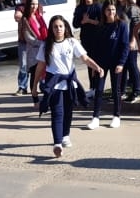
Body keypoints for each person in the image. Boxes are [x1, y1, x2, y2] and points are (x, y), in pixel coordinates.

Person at [33, 15, 102, 158]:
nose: (58, 29)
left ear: (65, 28)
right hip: (55, 85)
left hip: (70, 83)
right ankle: (57, 144)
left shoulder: (72, 42)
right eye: (55, 27)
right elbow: (40, 67)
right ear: (51, 29)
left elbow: (85, 58)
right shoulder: (46, 45)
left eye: (60, 26)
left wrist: (97, 67)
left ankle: (65, 135)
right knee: (57, 113)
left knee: (68, 112)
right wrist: (34, 87)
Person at [86, 0, 129, 130]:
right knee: (99, 90)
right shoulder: (100, 26)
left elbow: (125, 45)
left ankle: (116, 116)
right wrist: (94, 66)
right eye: (108, 10)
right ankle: (95, 117)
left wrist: (121, 63)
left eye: (113, 10)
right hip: (101, 63)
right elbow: (96, 48)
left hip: (116, 63)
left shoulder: (121, 25)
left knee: (116, 90)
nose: (111, 12)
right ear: (104, 11)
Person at [115, 0, 140, 103]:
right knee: (123, 66)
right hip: (120, 41)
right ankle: (121, 92)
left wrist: (133, 40)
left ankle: (137, 91)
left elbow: (137, 26)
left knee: (132, 66)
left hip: (131, 41)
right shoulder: (117, 8)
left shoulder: (132, 9)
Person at [72, 0, 103, 97]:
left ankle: (99, 87)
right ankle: (92, 88)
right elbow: (75, 24)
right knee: (89, 63)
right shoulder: (80, 8)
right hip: (86, 39)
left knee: (98, 63)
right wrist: (83, 22)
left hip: (98, 38)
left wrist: (90, 21)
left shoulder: (99, 7)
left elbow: (102, 23)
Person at [18, 0, 48, 107]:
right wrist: (42, 43)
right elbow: (28, 38)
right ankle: (35, 99)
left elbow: (46, 30)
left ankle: (46, 99)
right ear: (28, 5)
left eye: (36, 4)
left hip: (44, 50)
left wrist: (48, 42)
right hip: (34, 51)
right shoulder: (25, 19)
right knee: (35, 75)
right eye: (32, 4)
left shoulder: (40, 17)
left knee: (45, 76)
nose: (34, 6)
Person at [12, 0, 35, 95]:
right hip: (24, 41)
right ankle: (22, 87)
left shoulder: (37, 6)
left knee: (39, 64)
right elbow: (17, 16)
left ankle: (42, 85)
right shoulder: (20, 7)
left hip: (36, 41)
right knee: (24, 65)